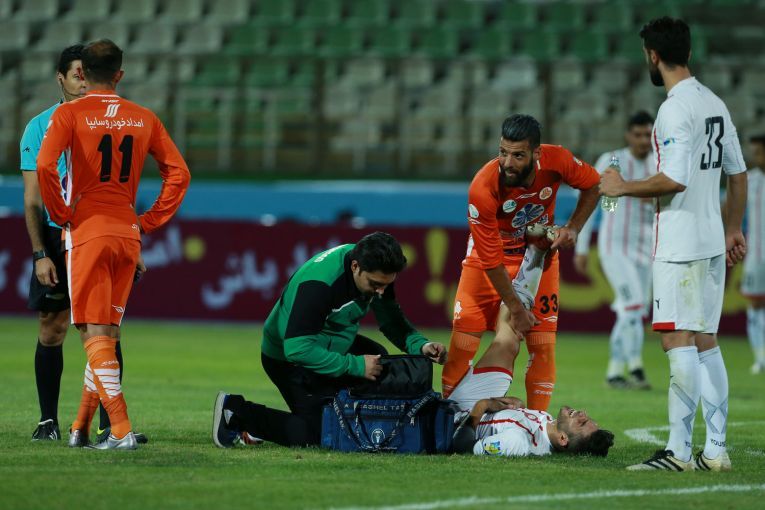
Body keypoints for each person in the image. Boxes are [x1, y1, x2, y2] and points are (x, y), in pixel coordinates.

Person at [600, 17, 747, 472]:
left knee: (676, 339)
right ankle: (715, 451)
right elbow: (738, 174)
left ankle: (679, 453)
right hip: (711, 242)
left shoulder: (674, 108)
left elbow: (675, 179)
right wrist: (732, 229)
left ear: (653, 55)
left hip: (680, 244)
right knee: (705, 341)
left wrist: (622, 187)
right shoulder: (714, 101)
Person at [36, 39, 191, 449]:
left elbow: (45, 165)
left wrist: (62, 213)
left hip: (87, 230)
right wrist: (146, 222)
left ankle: (120, 430)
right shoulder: (144, 118)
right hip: (126, 232)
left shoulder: (69, 114)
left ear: (82, 73)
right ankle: (80, 428)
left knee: (93, 333)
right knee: (107, 333)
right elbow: (179, 175)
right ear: (119, 74)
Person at [212, 232, 447, 448]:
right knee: (320, 433)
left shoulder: (373, 267)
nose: (381, 292)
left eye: (386, 284)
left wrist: (421, 345)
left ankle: (325, 418)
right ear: (355, 267)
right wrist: (355, 365)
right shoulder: (319, 285)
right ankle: (236, 411)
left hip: (329, 343)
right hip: (288, 359)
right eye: (375, 285)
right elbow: (297, 349)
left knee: (379, 362)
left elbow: (391, 320)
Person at [441, 114, 601, 412]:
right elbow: (491, 261)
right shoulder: (483, 186)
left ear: (536, 154)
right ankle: (450, 421)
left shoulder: (558, 160)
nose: (507, 163)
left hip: (538, 258)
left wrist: (574, 227)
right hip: (486, 264)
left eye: (518, 155)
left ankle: (537, 423)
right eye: (503, 152)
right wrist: (516, 309)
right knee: (462, 346)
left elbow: (594, 184)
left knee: (542, 347)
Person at [20, 44, 85, 441]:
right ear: (60, 78)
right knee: (52, 327)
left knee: (103, 328)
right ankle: (48, 421)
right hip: (54, 234)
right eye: (76, 74)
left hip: (95, 232)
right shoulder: (38, 127)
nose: (83, 81)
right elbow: (32, 198)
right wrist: (40, 253)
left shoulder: (107, 124)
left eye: (87, 73)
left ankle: (111, 425)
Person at [574, 111, 656, 390]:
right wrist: (582, 246)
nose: (643, 140)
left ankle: (632, 368)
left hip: (646, 247)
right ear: (628, 135)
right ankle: (617, 371)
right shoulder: (612, 161)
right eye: (638, 134)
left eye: (648, 134)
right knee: (633, 305)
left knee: (635, 310)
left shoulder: (659, 162)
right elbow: (590, 200)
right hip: (615, 246)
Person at [743, 134, 765, 374]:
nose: (754, 157)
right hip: (756, 256)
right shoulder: (749, 180)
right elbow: (728, 208)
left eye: (758, 152)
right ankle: (760, 357)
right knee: (755, 304)